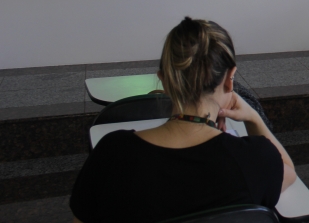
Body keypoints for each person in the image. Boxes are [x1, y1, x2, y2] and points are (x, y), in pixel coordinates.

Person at [70, 17, 296, 223]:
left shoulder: (113, 154)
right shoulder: (256, 160)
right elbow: (287, 170)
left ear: (164, 81)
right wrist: (254, 118)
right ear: (230, 80)